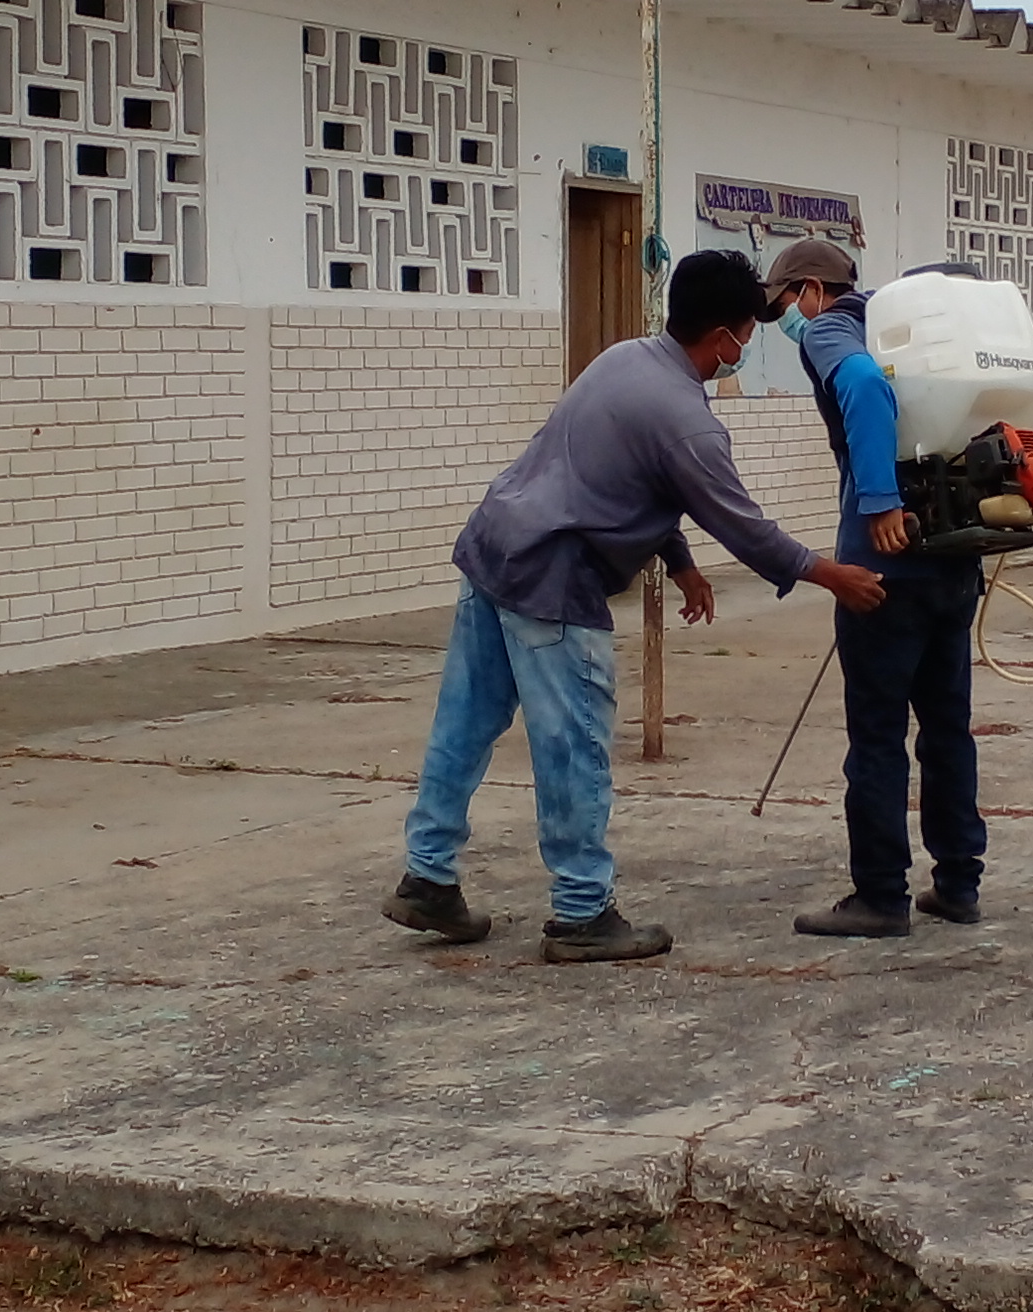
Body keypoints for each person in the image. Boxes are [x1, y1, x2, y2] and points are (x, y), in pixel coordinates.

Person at [382, 250, 888, 962]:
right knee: (575, 743)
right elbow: (743, 527)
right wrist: (833, 576)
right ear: (724, 336)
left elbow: (616, 474)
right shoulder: (686, 420)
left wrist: (680, 564)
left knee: (464, 724)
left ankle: (428, 876)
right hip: (553, 574)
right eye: (748, 333)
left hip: (493, 545)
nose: (747, 347)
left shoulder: (624, 359)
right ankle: (581, 912)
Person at [767, 241, 987, 937]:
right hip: (953, 558)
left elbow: (862, 387)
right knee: (947, 730)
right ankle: (958, 883)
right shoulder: (911, 333)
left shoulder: (834, 327)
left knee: (878, 737)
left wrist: (879, 501)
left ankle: (882, 895)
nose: (788, 319)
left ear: (810, 289)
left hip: (882, 571)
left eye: (785, 304)